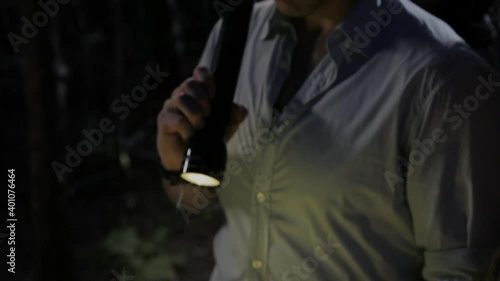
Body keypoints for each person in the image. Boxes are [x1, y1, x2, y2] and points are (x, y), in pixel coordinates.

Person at [156, 0, 500, 280]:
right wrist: (175, 162)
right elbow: (194, 201)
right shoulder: (235, 36)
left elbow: (461, 269)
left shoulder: (441, 78)